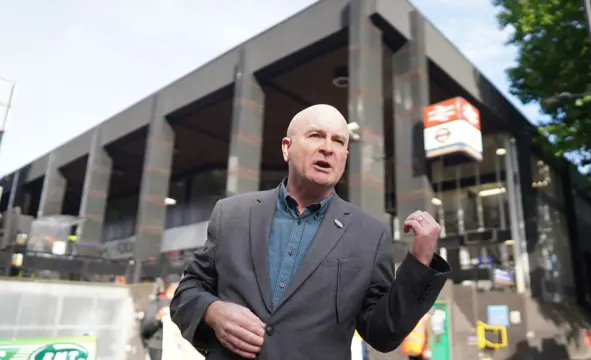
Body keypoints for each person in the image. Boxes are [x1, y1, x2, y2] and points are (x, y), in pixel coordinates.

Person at [170, 104, 451, 360]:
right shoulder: (232, 214)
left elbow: (383, 331)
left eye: (338, 141)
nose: (328, 148)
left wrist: (421, 261)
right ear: (286, 148)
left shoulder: (369, 234)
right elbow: (187, 291)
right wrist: (212, 311)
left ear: (344, 156)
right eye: (316, 135)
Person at [140, 274, 181, 360]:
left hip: (178, 346)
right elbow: (145, 327)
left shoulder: (182, 303)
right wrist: (158, 317)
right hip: (159, 346)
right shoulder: (157, 303)